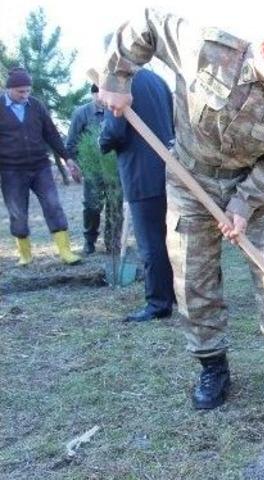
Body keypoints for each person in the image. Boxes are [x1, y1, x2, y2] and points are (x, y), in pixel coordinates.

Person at [98, 7, 264, 417]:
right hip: (191, 181)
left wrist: (242, 205)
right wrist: (117, 77)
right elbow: (147, 22)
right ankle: (212, 368)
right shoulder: (206, 48)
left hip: (251, 190)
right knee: (194, 279)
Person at [99, 68, 176, 323]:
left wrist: (102, 140)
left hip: (141, 173)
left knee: (151, 242)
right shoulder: (158, 79)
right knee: (171, 238)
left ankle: (158, 304)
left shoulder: (118, 79)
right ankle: (177, 294)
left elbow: (114, 131)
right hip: (169, 169)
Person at [0, 67, 82, 266]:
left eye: (28, 91)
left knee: (53, 205)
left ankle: (65, 251)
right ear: (8, 89)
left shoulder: (36, 106)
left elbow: (52, 133)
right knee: (18, 212)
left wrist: (67, 158)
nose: (25, 95)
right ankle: (25, 254)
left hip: (40, 167)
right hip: (11, 170)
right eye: (21, 92)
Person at [66, 84, 114, 254]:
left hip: (114, 168)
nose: (103, 98)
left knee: (114, 205)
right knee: (92, 206)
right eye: (99, 94)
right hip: (93, 168)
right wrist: (73, 165)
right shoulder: (81, 113)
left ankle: (113, 242)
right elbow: (71, 142)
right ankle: (89, 241)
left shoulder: (115, 109)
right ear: (93, 94)